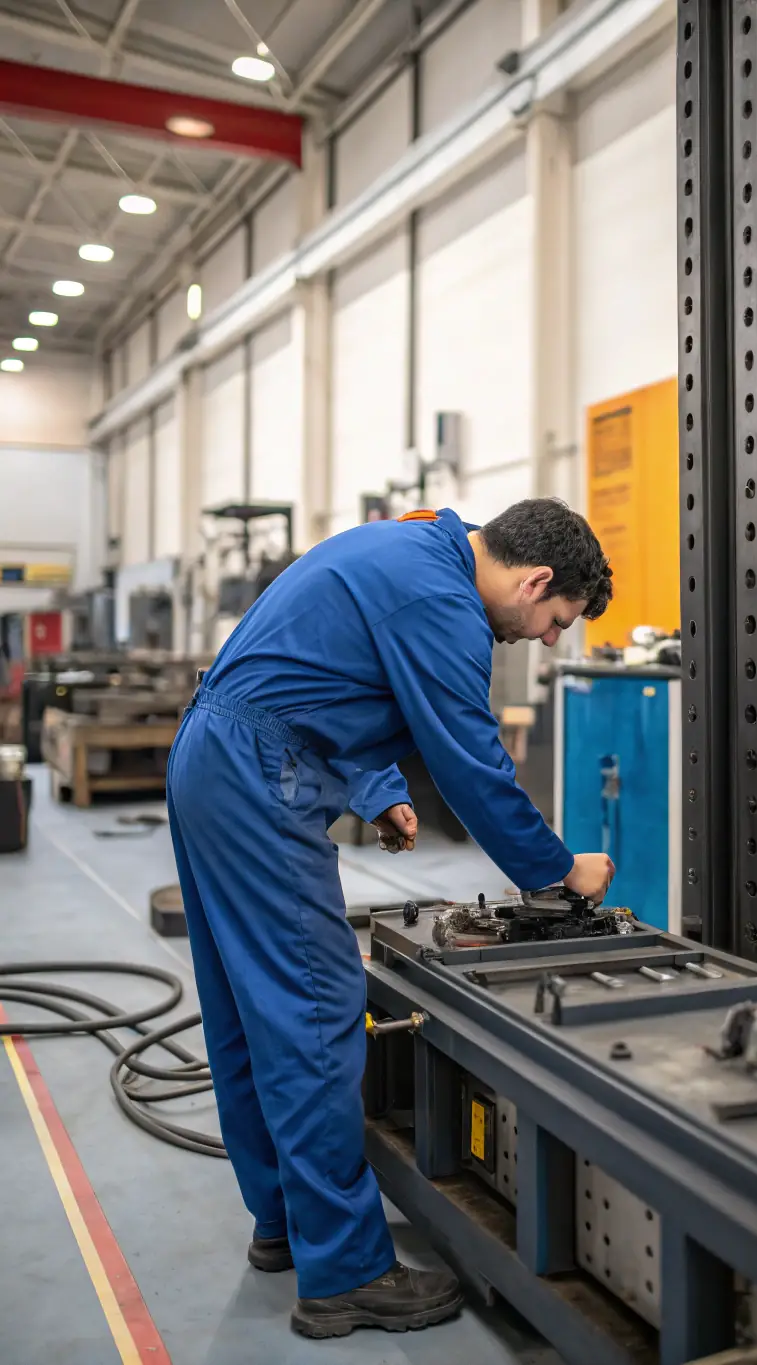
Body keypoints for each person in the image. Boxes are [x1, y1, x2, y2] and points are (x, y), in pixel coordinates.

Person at [166, 498, 615, 1339]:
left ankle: (282, 1222)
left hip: (215, 756)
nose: (549, 639)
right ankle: (344, 1272)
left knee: (244, 1008)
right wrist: (559, 870)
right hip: (259, 773)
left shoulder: (413, 551)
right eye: (556, 620)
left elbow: (338, 673)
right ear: (538, 579)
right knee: (311, 1013)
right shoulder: (444, 601)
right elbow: (470, 757)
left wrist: (378, 791)